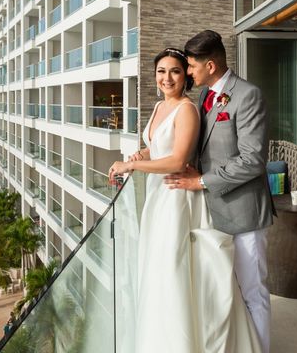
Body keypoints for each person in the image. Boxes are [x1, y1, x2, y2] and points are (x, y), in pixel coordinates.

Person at [109, 47, 262, 352]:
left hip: (178, 198)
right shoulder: (158, 108)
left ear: (186, 77)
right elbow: (160, 146)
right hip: (157, 198)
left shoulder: (187, 109)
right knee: (158, 273)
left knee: (175, 272)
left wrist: (132, 165)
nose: (167, 77)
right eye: (161, 71)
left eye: (176, 71)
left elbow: (178, 160)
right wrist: (142, 153)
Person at [167, 30, 274, 352]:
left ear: (210, 65)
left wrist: (200, 181)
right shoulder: (205, 96)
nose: (187, 73)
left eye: (191, 68)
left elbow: (252, 161)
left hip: (244, 213)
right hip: (213, 210)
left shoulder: (248, 95)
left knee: (252, 293)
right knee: (226, 291)